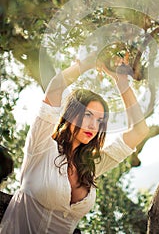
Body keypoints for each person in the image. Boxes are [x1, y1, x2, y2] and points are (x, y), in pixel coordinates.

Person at [0, 55, 149, 233]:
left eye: (99, 120)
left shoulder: (91, 165)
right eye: (88, 115)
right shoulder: (41, 147)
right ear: (71, 115)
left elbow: (140, 131)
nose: (94, 125)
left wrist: (122, 82)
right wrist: (90, 62)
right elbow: (55, 89)